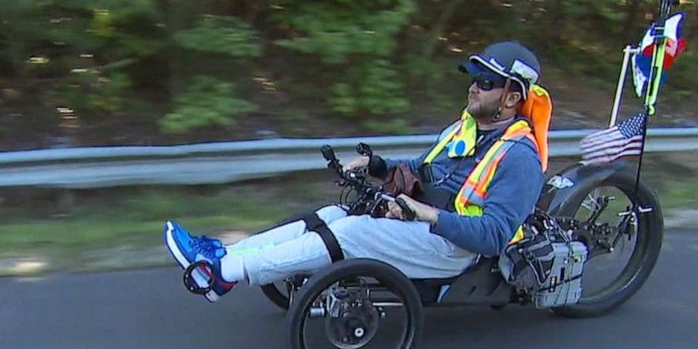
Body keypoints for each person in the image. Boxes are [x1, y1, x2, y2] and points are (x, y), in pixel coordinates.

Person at [164, 40, 551, 302]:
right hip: (423, 225)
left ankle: (227, 272)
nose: (473, 89)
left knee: (353, 231)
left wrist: (428, 214)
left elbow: (496, 235)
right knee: (334, 215)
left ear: (512, 96)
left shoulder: (520, 157)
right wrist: (377, 166)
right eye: (473, 79)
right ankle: (221, 255)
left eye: (485, 83)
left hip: (456, 247)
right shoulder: (462, 128)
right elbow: (419, 171)